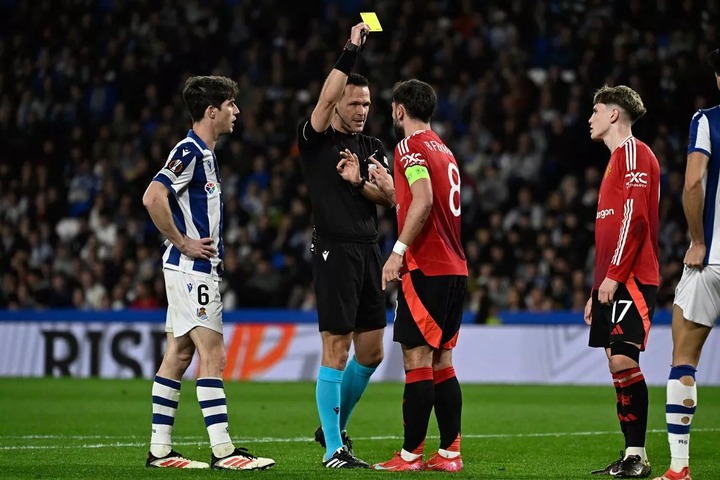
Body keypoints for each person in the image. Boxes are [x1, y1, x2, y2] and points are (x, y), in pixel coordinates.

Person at [142, 75, 274, 471]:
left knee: (179, 354)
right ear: (211, 111)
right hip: (192, 269)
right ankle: (223, 451)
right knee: (212, 356)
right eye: (230, 104)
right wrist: (183, 241)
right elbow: (152, 196)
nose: (236, 111)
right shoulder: (190, 152)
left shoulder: (204, 153)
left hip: (189, 269)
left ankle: (161, 451)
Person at [296, 22, 394, 469]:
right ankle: (335, 448)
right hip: (333, 249)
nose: (362, 110)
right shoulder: (315, 140)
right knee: (336, 348)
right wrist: (350, 50)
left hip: (369, 250)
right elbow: (322, 98)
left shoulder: (372, 145)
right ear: (338, 102)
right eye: (355, 102)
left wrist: (360, 182)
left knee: (371, 353)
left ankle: (330, 426)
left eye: (368, 103)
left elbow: (391, 197)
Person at [369, 79, 468, 472]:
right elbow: (421, 199)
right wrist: (391, 188)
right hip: (455, 269)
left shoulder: (408, 146)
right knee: (442, 361)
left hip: (426, 267)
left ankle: (410, 455)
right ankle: (449, 453)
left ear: (398, 110)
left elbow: (424, 201)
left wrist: (397, 252)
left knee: (416, 359)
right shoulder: (443, 150)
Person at [584, 85, 660, 478]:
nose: (590, 117)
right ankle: (633, 454)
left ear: (614, 114)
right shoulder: (615, 162)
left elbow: (635, 219)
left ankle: (637, 455)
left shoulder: (634, 153)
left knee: (623, 359)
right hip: (612, 279)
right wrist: (596, 288)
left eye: (596, 110)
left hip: (632, 277)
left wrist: (613, 277)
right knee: (616, 365)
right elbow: (609, 232)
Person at [652, 49, 720, 480]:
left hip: (711, 260)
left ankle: (679, 467)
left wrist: (697, 239)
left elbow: (693, 180)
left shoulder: (707, 120)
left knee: (684, 360)